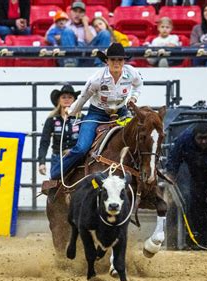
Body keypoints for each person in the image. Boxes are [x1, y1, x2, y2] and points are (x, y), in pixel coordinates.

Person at [51, 43, 143, 180]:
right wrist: (71, 111)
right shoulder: (96, 79)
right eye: (113, 60)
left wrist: (134, 98)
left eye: (120, 60)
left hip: (121, 113)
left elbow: (139, 84)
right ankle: (56, 176)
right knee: (82, 148)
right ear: (107, 61)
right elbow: (83, 97)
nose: (116, 63)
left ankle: (144, 177)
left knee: (138, 142)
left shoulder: (131, 73)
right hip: (97, 114)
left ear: (124, 61)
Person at [165, 123, 207, 248]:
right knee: (195, 208)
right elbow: (173, 159)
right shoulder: (184, 140)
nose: (203, 142)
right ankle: (199, 239)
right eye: (200, 138)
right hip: (196, 179)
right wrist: (171, 176)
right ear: (194, 137)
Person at [38, 85, 82, 180]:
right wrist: (42, 162)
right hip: (58, 158)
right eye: (63, 97)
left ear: (74, 101)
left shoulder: (81, 119)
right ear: (59, 100)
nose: (67, 100)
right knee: (55, 183)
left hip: (76, 158)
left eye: (70, 97)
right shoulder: (52, 120)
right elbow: (44, 142)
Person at [59, 1, 111, 67]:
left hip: (88, 57)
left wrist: (85, 24)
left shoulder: (90, 28)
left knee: (105, 33)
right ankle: (70, 64)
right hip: (70, 57)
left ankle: (100, 65)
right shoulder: (63, 25)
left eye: (80, 12)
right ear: (70, 12)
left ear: (84, 14)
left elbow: (91, 41)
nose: (77, 14)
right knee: (67, 31)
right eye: (75, 11)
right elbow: (48, 37)